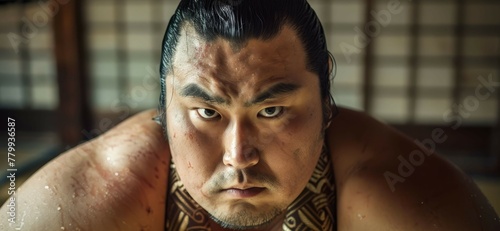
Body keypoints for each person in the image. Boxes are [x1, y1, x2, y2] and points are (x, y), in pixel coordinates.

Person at [1, 0, 499, 230]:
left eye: (273, 109)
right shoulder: (101, 198)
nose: (238, 157)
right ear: (164, 110)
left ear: (326, 104)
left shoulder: (396, 197)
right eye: (205, 112)